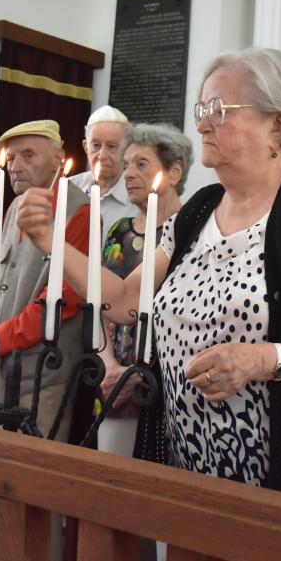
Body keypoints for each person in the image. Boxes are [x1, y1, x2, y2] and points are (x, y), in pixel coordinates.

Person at [16, 48, 281, 504]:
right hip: (187, 471)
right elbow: (121, 299)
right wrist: (51, 243)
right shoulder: (197, 210)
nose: (200, 125)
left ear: (278, 122)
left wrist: (258, 360)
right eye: (201, 111)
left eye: (217, 110)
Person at [0, 119, 91, 441]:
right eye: (10, 159)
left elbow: (59, 303)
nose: (15, 166)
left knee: (30, 476)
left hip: (41, 375)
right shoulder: (14, 206)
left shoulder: (80, 211)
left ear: (58, 157)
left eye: (28, 156)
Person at [97, 122, 193, 457]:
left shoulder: (193, 232)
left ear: (175, 171)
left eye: (141, 164)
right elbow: (102, 303)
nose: (127, 173)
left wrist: (143, 370)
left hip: (169, 383)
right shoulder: (121, 232)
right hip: (115, 381)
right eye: (126, 165)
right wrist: (108, 364)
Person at [68, 105, 139, 232]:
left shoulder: (138, 197)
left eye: (111, 146)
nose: (102, 155)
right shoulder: (69, 187)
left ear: (127, 149)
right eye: (95, 145)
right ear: (85, 147)